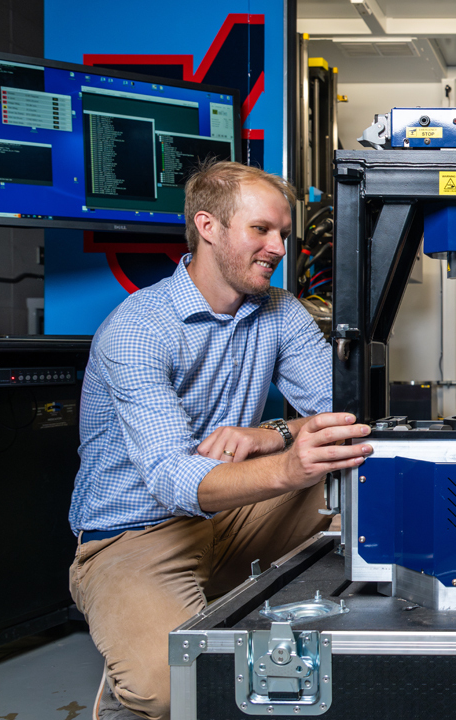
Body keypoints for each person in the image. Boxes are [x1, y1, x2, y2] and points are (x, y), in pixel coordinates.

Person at [67, 160, 373, 720]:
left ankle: (211, 611)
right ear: (207, 226)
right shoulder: (138, 328)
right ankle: (138, 652)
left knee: (348, 461)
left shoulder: (280, 313)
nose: (279, 248)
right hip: (134, 533)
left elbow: (345, 418)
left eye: (283, 233)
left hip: (232, 518)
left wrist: (271, 433)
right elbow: (172, 477)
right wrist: (286, 467)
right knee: (167, 690)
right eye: (261, 230)